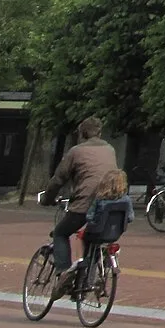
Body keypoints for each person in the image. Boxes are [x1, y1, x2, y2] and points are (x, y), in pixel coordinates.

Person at [43, 117, 117, 283]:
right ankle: (86, 282)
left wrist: (47, 198)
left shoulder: (76, 152)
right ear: (99, 132)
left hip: (85, 205)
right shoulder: (110, 149)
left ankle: (64, 273)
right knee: (91, 238)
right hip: (111, 206)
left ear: (82, 133)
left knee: (60, 233)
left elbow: (58, 179)